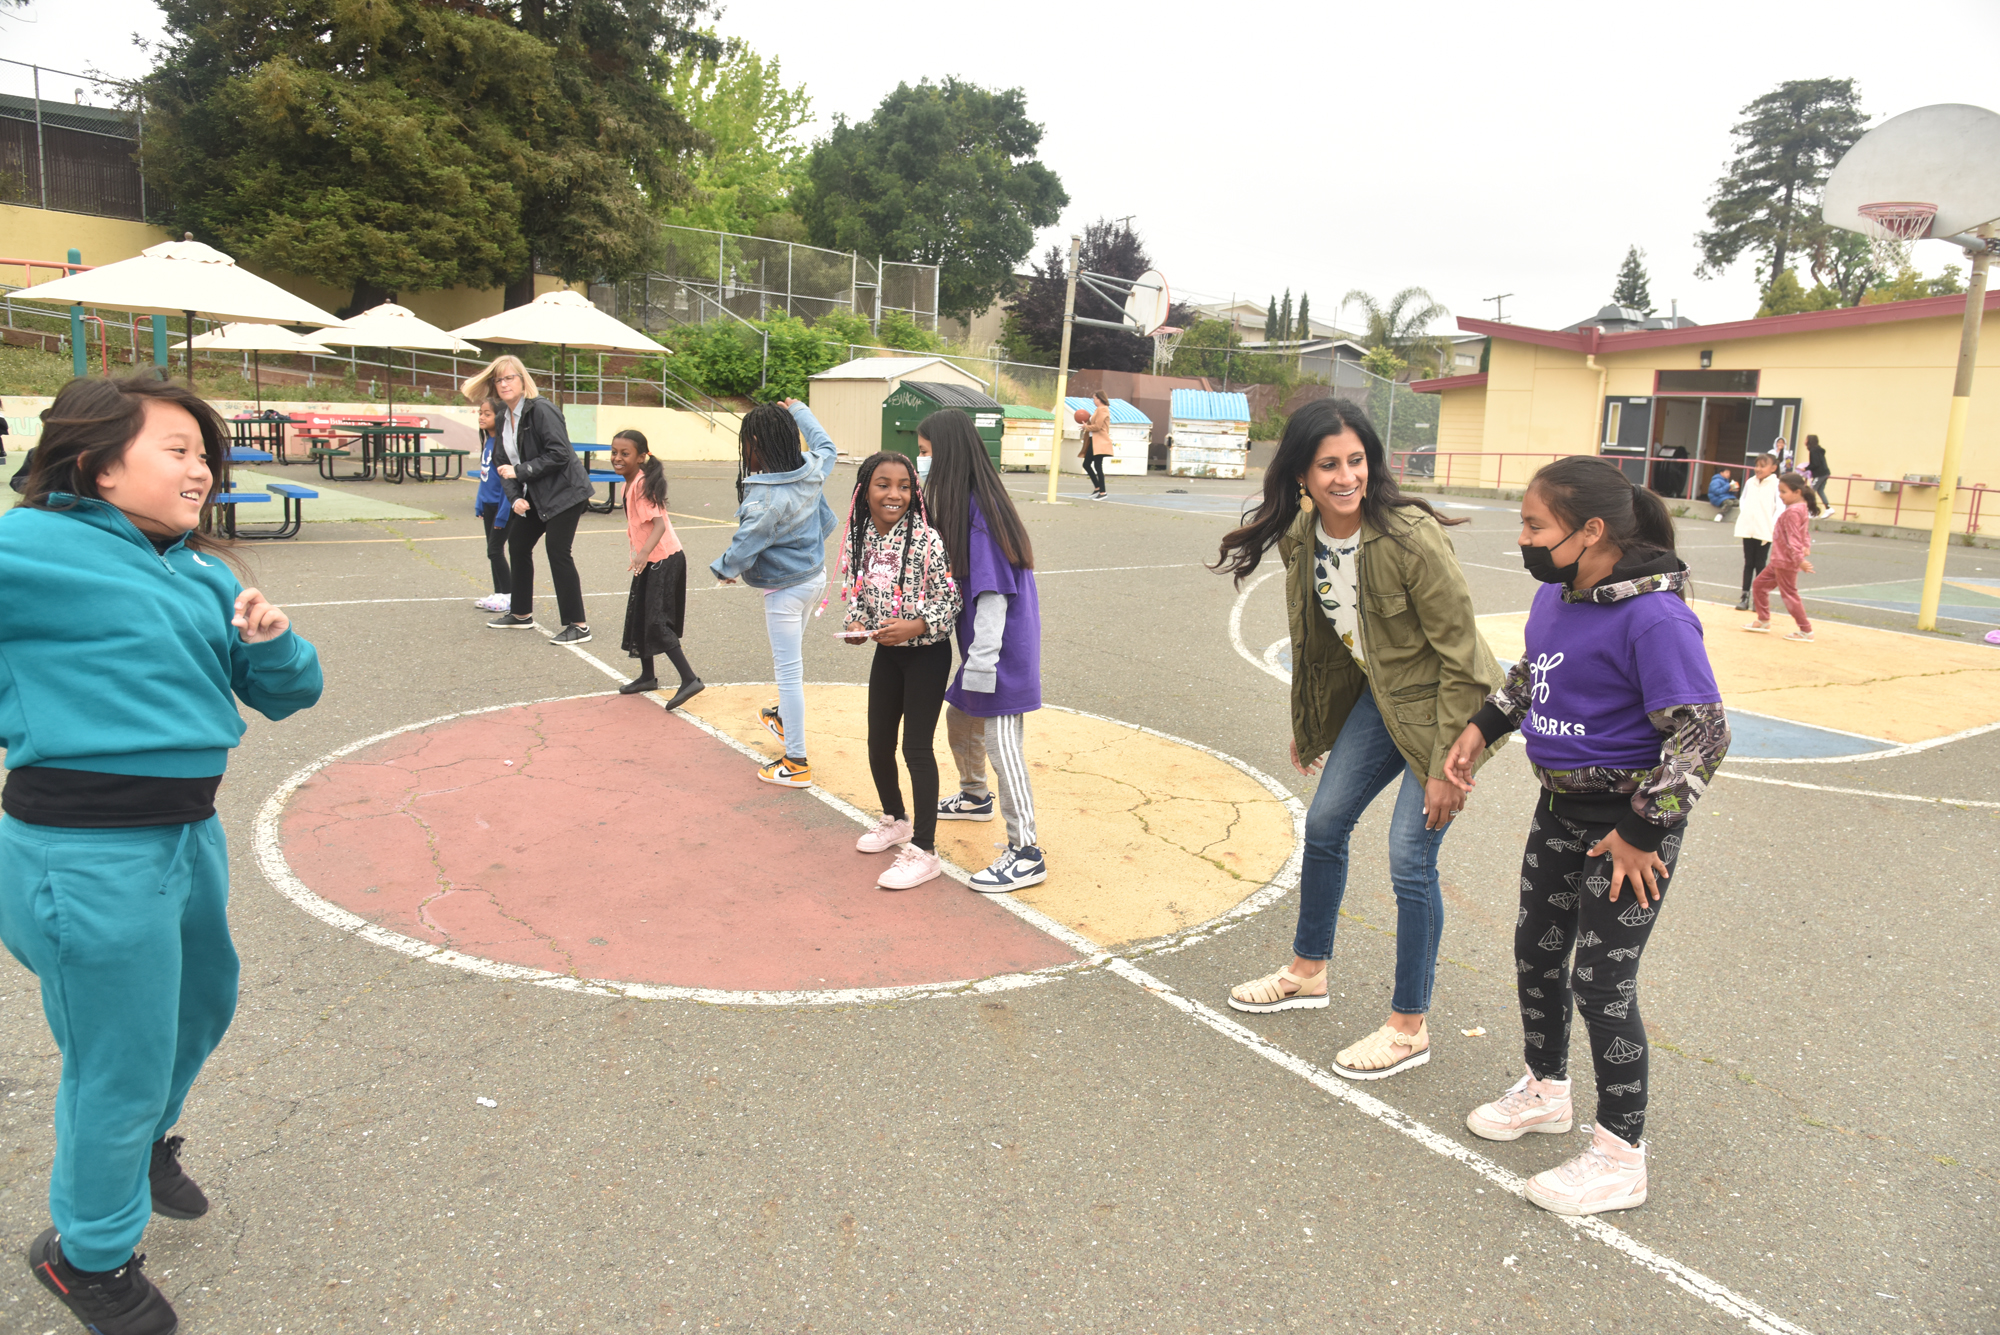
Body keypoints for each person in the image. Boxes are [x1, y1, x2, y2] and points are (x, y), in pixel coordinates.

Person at [0, 376, 323, 1335]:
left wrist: (273, 641)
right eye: (177, 448)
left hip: (186, 831)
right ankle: (87, 1254)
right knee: (119, 1057)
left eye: (203, 452)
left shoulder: (204, 570)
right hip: (82, 848)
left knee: (199, 1007)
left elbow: (289, 694)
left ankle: (136, 1147)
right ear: (99, 465)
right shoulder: (28, 546)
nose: (202, 468)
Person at [1442, 454, 1729, 1217]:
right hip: (1560, 810)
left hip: (1631, 831)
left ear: (1592, 531)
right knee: (1537, 949)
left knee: (1601, 982)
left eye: (1536, 525)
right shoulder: (1557, 595)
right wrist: (1481, 727)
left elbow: (1702, 733)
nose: (1525, 539)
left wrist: (1641, 831)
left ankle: (1619, 1154)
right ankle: (1546, 1089)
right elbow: (1536, 673)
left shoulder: (1654, 616)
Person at [1212, 397, 1506, 1080]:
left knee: (1409, 855)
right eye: (1329, 464)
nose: (1347, 476)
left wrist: (1444, 766)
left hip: (1449, 710)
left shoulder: (1408, 537)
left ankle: (1408, 1026)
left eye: (1356, 460)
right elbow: (1324, 647)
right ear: (1302, 476)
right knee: (1325, 822)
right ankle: (1308, 970)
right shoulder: (1303, 536)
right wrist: (1313, 723)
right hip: (1383, 697)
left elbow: (1463, 661)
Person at [925, 408, 1049, 892]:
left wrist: (981, 664)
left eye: (928, 453)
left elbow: (993, 599)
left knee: (1004, 746)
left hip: (997, 652)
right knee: (960, 716)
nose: (923, 461)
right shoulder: (975, 504)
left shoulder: (980, 515)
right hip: (986, 648)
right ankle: (975, 796)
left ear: (949, 457)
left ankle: (1027, 851)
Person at [839, 451, 962, 890]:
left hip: (927, 654)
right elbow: (855, 590)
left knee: (916, 749)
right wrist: (855, 624)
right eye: (883, 485)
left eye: (904, 486)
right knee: (877, 742)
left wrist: (918, 623)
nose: (894, 494)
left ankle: (926, 851)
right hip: (887, 654)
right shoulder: (860, 537)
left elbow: (951, 599)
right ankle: (896, 820)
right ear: (863, 491)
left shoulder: (928, 539)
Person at [711, 400, 839, 788]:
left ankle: (796, 762)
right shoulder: (813, 468)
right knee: (791, 667)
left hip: (785, 591)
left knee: (789, 674)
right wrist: (800, 409)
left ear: (755, 442)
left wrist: (725, 568)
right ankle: (783, 719)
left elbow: (747, 540)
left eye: (744, 445)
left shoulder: (763, 498)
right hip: (813, 579)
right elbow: (827, 445)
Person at [463, 354, 594, 644]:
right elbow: (502, 467)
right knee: (518, 544)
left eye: (510, 377)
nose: (504, 383)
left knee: (558, 552)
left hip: (565, 492)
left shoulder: (541, 410)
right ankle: (521, 614)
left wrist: (521, 471)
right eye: (499, 379)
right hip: (535, 493)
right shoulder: (502, 417)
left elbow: (560, 454)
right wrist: (513, 499)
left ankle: (578, 625)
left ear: (523, 381)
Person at [611, 429, 703, 707]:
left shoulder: (639, 485)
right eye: (614, 452)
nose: (617, 458)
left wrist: (643, 554)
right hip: (652, 559)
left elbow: (659, 525)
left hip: (662, 559)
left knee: (656, 620)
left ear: (641, 457)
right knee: (641, 614)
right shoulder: (634, 482)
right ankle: (647, 676)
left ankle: (690, 679)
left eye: (624, 454)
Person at [1744, 471, 1821, 643]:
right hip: (1779, 560)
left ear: (1797, 492)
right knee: (1759, 585)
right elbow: (1804, 534)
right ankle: (1763, 620)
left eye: (1784, 492)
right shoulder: (1800, 509)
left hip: (1786, 561)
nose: (1780, 496)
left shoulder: (1793, 512)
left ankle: (1805, 630)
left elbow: (1794, 538)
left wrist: (1799, 559)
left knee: (1789, 595)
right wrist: (1806, 547)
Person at [470, 398, 512, 613]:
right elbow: (485, 478)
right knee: (492, 550)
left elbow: (508, 484)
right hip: (487, 506)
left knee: (495, 550)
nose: (481, 417)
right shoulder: (488, 442)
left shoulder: (503, 446)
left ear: (499, 417)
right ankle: (499, 593)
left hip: (500, 508)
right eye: (480, 413)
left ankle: (508, 595)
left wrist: (503, 515)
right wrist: (479, 504)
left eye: (487, 414)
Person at [1732, 452, 1782, 611]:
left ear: (1773, 468)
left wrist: (1771, 525)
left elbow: (1780, 507)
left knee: (1761, 564)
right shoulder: (1750, 482)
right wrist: (1745, 514)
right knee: (1748, 563)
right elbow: (1743, 500)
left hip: (1764, 530)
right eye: (1756, 465)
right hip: (1748, 528)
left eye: (1762, 466)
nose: (1758, 469)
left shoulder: (1776, 484)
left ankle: (1759, 599)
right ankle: (1744, 596)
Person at [1080, 391, 1113, 498]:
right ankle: (1098, 488)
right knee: (1086, 464)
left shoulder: (1103, 409)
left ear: (1100, 399)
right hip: (1094, 441)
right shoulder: (1098, 410)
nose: (1093, 401)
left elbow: (1098, 426)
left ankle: (1103, 492)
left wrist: (1086, 427)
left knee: (1097, 466)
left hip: (1100, 442)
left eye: (1094, 398)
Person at [1802, 434, 1832, 512]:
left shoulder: (1813, 451)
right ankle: (1828, 508)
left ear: (1809, 441)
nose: (1804, 441)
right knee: (1820, 490)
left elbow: (1815, 464)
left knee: (1811, 491)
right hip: (1825, 473)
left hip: (1820, 474)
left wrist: (1805, 468)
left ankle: (1811, 510)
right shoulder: (1817, 450)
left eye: (1806, 439)